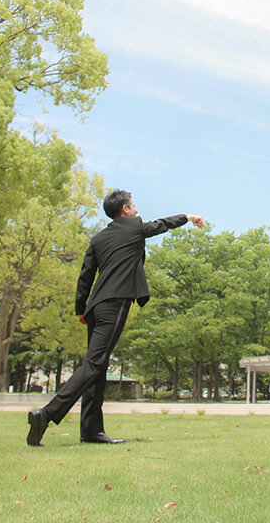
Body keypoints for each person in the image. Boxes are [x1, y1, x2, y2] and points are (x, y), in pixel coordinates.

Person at [26, 190, 205, 447]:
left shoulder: (98, 239)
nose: (136, 209)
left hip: (95, 307)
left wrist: (81, 310)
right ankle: (47, 413)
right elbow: (160, 225)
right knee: (95, 363)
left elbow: (85, 276)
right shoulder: (133, 227)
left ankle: (90, 430)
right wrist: (188, 217)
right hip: (115, 302)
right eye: (133, 206)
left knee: (97, 367)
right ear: (125, 209)